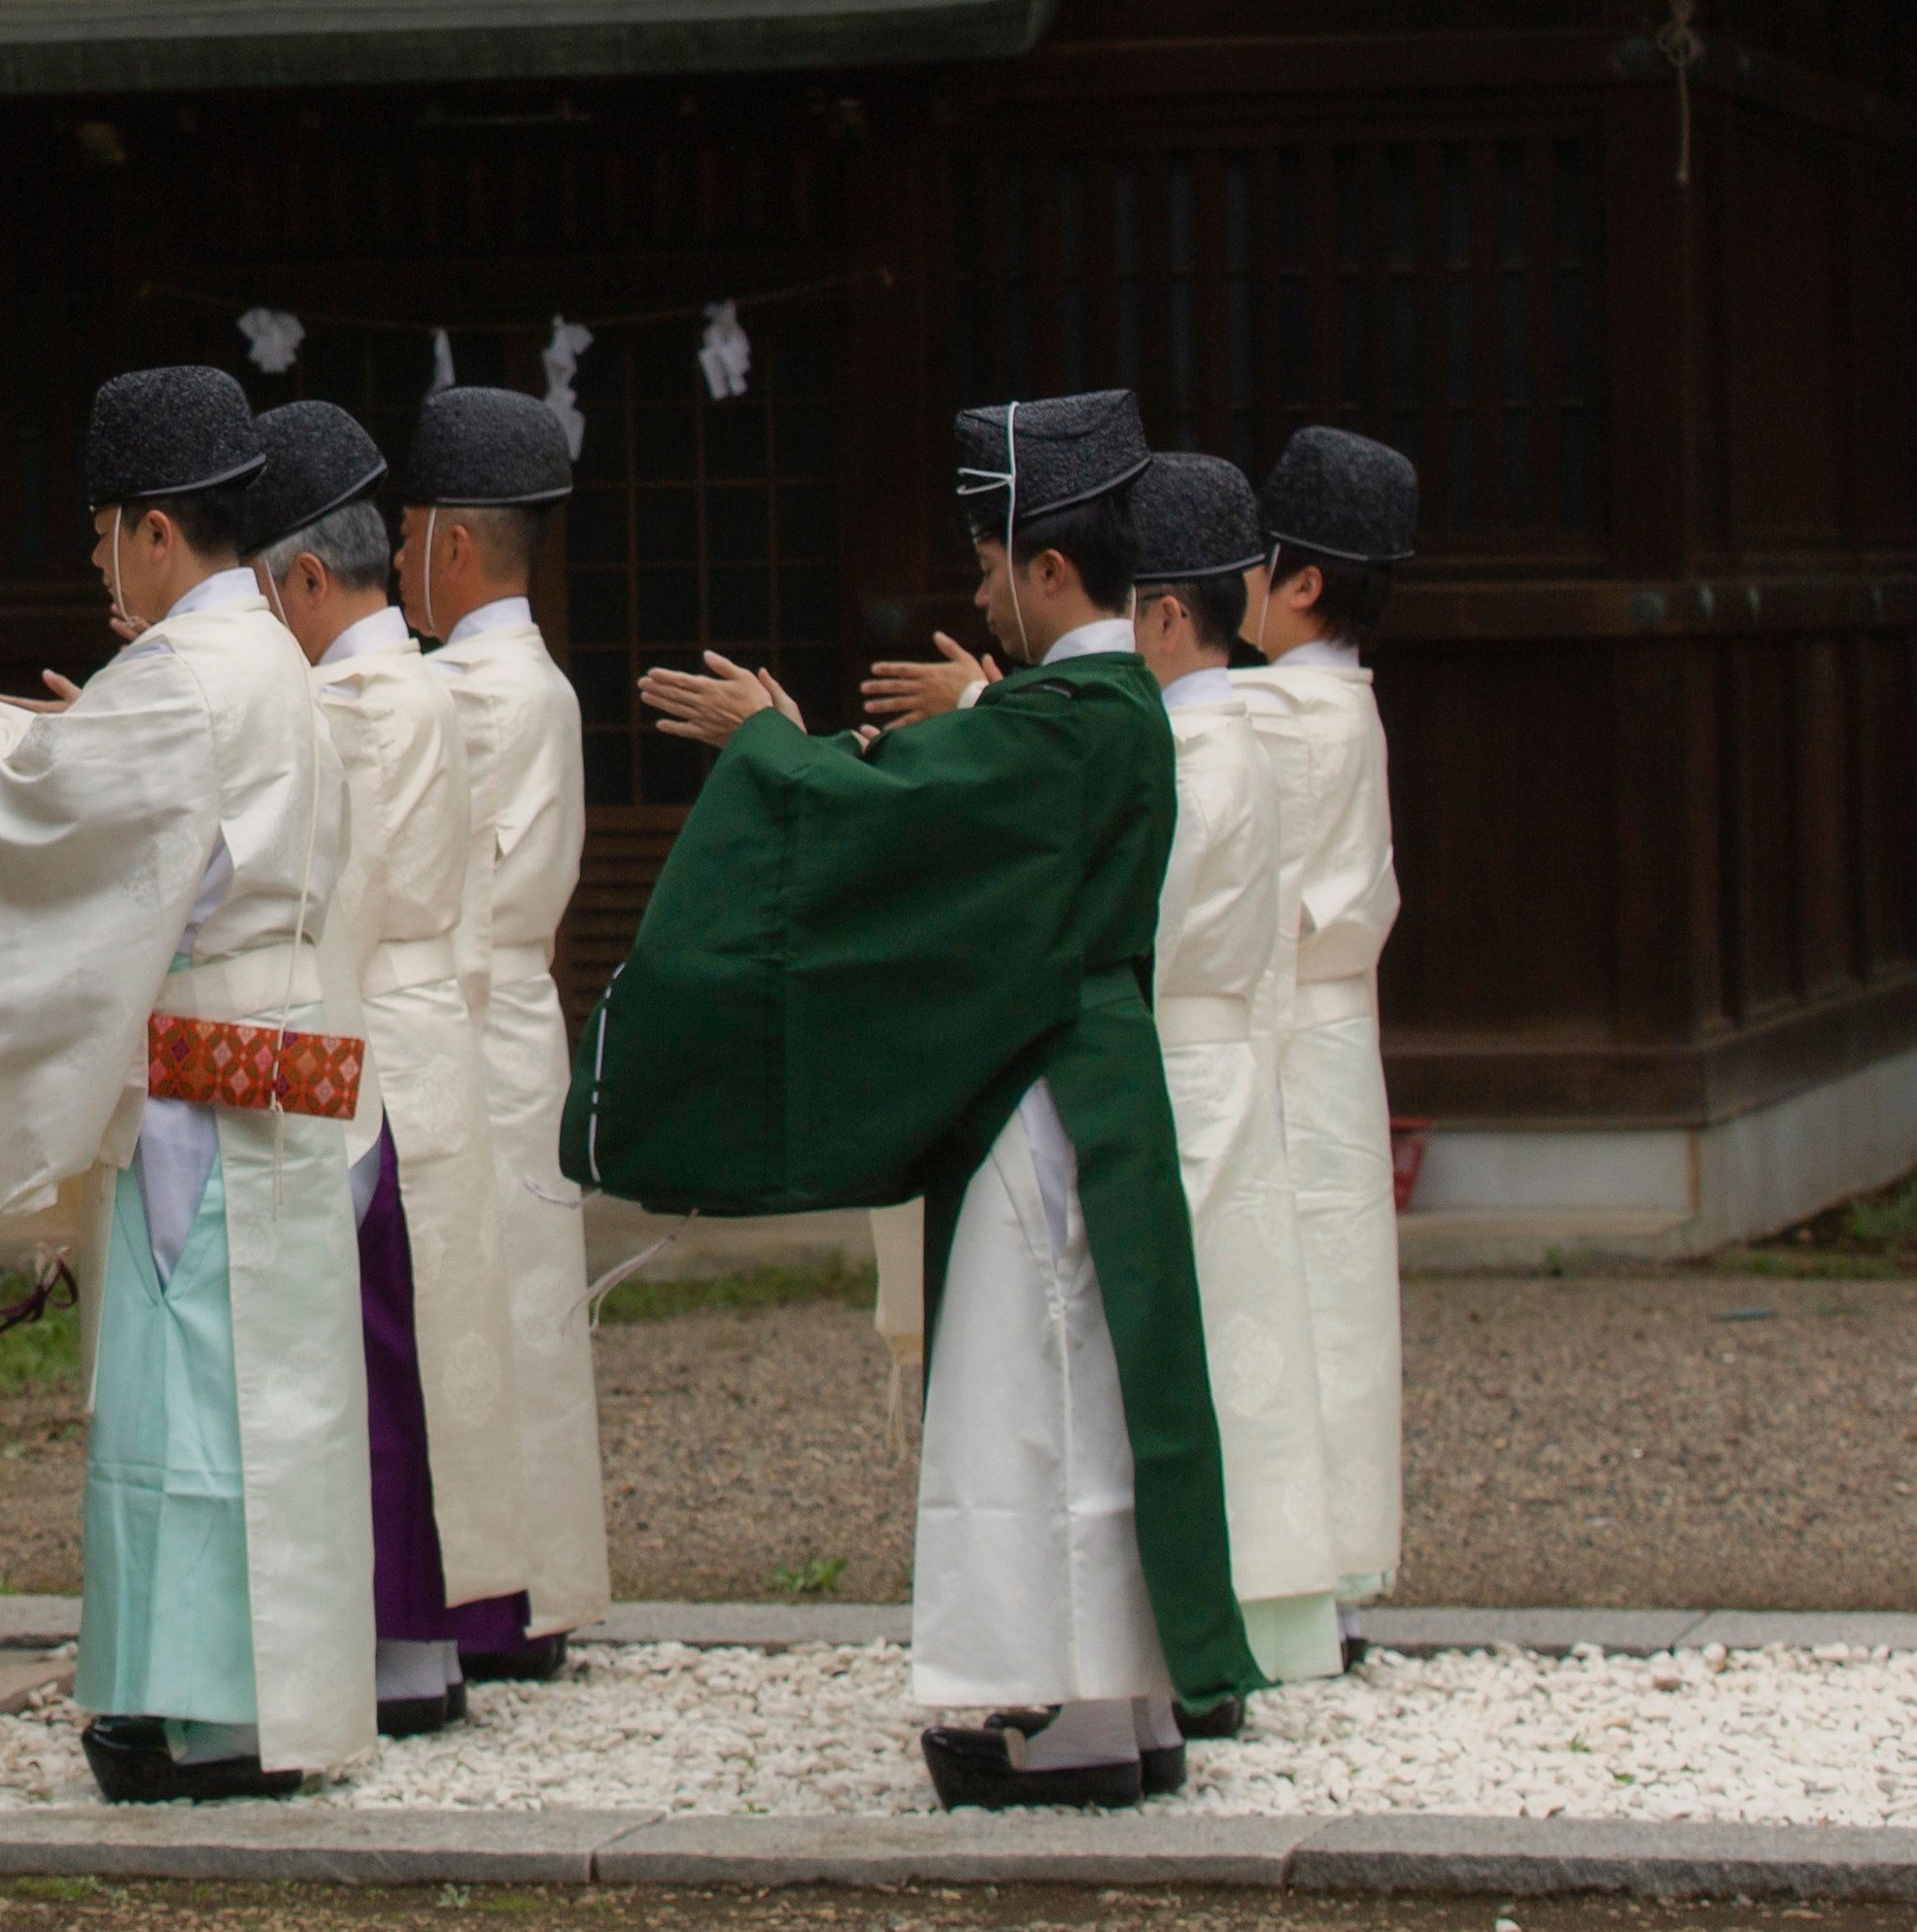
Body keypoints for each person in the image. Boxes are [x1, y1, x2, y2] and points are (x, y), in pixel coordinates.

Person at [568, 389, 1260, 1809]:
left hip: (1043, 1090)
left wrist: (768, 746)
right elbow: (944, 800)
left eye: (987, 563)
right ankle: (1118, 1705)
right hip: (1085, 1074)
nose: (977, 591)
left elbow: (897, 820)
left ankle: (1066, 1725)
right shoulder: (1102, 708)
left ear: (1050, 567)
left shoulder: (1068, 721)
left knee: (1038, 1397)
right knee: (1090, 1396)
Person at [0, 364, 374, 1802]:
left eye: (99, 531)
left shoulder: (186, 674)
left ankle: (196, 1711)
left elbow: (47, 822)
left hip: (202, 1066)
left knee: (188, 1393)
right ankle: (255, 1695)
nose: (93, 558)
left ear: (146, 530)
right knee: (280, 1392)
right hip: (278, 1044)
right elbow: (125, 804)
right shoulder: (268, 662)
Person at [246, 398, 529, 1741]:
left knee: (371, 1347)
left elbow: (316, 892)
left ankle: (399, 1640)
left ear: (305, 580)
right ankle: (416, 1633)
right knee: (411, 1344)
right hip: (422, 1030)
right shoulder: (407, 680)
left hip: (371, 1037)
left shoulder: (356, 700)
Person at [396, 385, 607, 1679]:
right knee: (521, 1305)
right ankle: (529, 1588)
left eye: (408, 529)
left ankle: (481, 1594)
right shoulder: (533, 680)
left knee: (466, 1303)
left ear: (451, 546)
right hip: (517, 1015)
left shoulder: (461, 692)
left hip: (465, 1015)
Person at [1127, 453, 1346, 1701]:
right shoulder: (1241, 734)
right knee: (1244, 1343)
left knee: (1192, 1351)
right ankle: (1264, 1614)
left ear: (1165, 614)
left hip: (1179, 1056)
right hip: (1229, 1057)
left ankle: (1201, 1627)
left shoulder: (1192, 756)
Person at [1234, 425, 1416, 1659]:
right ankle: (1330, 1580)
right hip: (1332, 1035)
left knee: (1288, 1298)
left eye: (1249, 560)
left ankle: (1292, 1584)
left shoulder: (1279, 713)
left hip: (1287, 1032)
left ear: (1300, 580)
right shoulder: (1335, 698)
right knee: (1333, 1303)